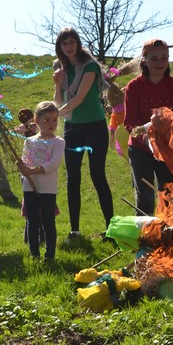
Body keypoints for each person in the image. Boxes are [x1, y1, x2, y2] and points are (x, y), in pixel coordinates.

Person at [53, 26, 114, 240]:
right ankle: (75, 231)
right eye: (64, 43)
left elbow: (78, 98)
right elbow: (59, 100)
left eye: (72, 42)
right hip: (73, 129)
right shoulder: (60, 68)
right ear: (60, 47)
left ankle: (111, 229)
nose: (69, 47)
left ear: (78, 43)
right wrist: (57, 84)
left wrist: (53, 116)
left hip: (95, 127)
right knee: (73, 178)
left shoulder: (90, 66)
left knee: (98, 176)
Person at [123, 38, 173, 215]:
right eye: (154, 59)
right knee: (145, 197)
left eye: (164, 58)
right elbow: (130, 122)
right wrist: (146, 137)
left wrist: (170, 130)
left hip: (168, 148)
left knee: (170, 195)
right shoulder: (134, 87)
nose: (160, 63)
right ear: (144, 60)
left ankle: (169, 230)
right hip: (140, 148)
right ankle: (146, 231)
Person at [16, 101, 65, 261]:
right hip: (30, 187)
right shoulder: (29, 141)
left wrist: (32, 170)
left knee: (48, 221)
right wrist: (22, 168)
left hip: (47, 188)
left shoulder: (58, 142)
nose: (51, 124)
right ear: (36, 121)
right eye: (46, 120)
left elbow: (53, 164)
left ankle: (50, 254)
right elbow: (25, 162)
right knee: (32, 221)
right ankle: (34, 254)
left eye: (54, 120)